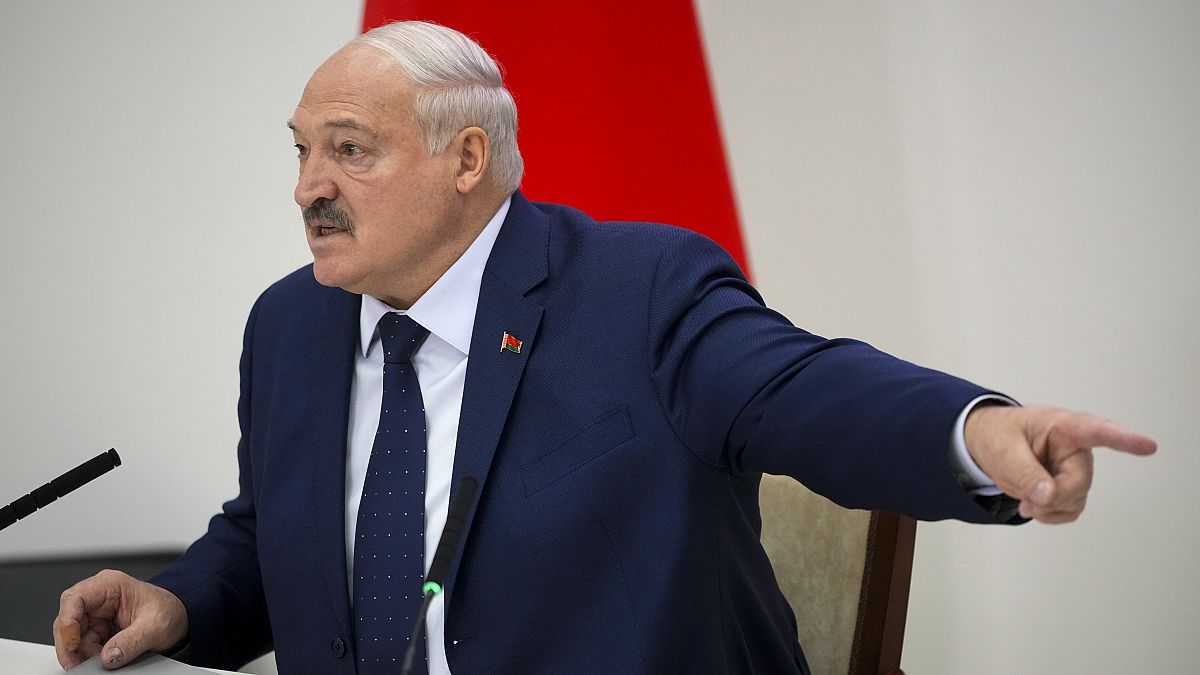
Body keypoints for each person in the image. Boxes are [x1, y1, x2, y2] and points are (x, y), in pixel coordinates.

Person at [53, 20, 1155, 674]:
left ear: (467, 160)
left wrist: (975, 431)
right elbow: (272, 537)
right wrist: (180, 603)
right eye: (301, 152)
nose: (308, 189)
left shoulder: (638, 288)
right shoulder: (289, 323)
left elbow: (799, 387)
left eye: (350, 151)